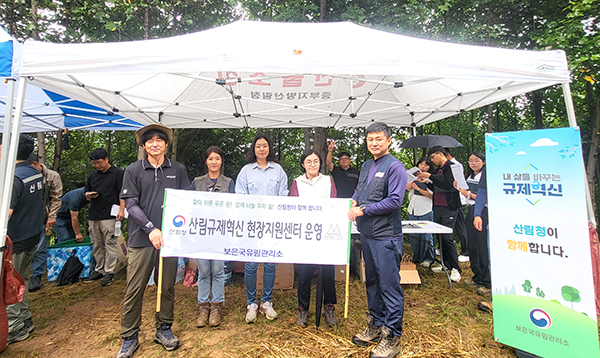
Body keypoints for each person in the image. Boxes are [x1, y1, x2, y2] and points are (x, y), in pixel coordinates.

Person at [116, 124, 190, 358]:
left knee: (166, 286)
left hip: (170, 239)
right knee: (134, 288)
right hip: (141, 239)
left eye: (160, 140)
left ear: (167, 145)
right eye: (150, 141)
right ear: (144, 146)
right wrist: (150, 228)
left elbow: (185, 199)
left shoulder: (178, 169)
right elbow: (131, 204)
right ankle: (129, 337)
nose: (155, 144)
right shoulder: (133, 170)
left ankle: (164, 328)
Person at [348, 123, 406, 358]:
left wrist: (364, 209)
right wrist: (353, 201)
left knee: (389, 286)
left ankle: (392, 337)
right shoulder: (366, 165)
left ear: (389, 140)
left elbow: (394, 201)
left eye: (379, 139)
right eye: (370, 139)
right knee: (371, 281)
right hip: (368, 236)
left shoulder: (395, 167)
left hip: (386, 237)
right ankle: (376, 324)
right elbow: (359, 191)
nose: (374, 143)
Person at [235, 134, 288, 323]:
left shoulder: (278, 170)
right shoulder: (246, 171)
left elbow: (283, 195)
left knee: (270, 264)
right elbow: (240, 196)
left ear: (269, 149)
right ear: (253, 149)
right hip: (252, 224)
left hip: (272, 224)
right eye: (258, 146)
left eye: (265, 146)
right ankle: (251, 304)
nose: (262, 149)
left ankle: (266, 301)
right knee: (250, 265)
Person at [290, 149, 338, 327]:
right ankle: (303, 308)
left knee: (328, 272)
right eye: (308, 161)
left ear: (320, 163)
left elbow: (334, 202)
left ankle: (329, 306)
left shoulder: (327, 181)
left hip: (325, 233)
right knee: (304, 273)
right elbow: (293, 205)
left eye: (316, 161)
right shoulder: (297, 182)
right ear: (303, 164)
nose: (312, 165)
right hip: (305, 234)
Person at [189, 146, 234, 328]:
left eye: (217, 158)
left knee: (218, 271)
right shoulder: (197, 182)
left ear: (221, 161)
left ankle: (216, 306)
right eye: (210, 159)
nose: (214, 162)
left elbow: (235, 207)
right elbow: (187, 203)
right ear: (206, 161)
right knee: (203, 271)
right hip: (202, 233)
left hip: (220, 233)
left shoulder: (229, 183)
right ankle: (203, 307)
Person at [6, 135, 44, 344]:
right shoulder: (34, 173)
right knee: (23, 279)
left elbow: (7, 213)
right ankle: (25, 318)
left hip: (16, 238)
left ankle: (15, 327)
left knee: (11, 283)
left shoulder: (15, 178)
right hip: (32, 235)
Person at [417, 146, 462, 283]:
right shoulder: (438, 170)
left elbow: (448, 183)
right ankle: (445, 263)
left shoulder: (451, 167)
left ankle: (455, 268)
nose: (432, 161)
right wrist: (427, 182)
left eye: (432, 157)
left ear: (440, 154)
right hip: (438, 206)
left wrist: (430, 176)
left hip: (449, 206)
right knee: (439, 236)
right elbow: (436, 185)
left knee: (447, 237)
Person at [83, 148, 125, 286]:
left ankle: (110, 271)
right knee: (97, 243)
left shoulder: (118, 173)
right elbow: (85, 192)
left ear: (107, 159)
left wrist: (122, 210)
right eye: (94, 163)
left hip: (110, 214)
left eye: (99, 162)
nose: (97, 165)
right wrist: (88, 195)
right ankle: (99, 269)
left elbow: (122, 193)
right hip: (94, 213)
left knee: (110, 242)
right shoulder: (93, 176)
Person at [28, 153, 63, 293]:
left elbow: (56, 197)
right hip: (26, 218)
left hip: (44, 217)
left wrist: (52, 216)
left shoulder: (52, 176)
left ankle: (36, 275)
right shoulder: (23, 175)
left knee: (41, 247)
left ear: (37, 164)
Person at [455, 152, 490, 290]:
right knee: (473, 246)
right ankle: (477, 277)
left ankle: (487, 281)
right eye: (470, 160)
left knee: (482, 247)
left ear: (484, 162)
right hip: (470, 210)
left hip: (483, 212)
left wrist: (468, 194)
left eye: (477, 160)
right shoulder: (470, 176)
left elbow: (485, 197)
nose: (473, 163)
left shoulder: (485, 177)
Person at [406, 157, 435, 266]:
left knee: (426, 235)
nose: (423, 167)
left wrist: (418, 189)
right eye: (421, 164)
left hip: (425, 209)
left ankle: (428, 258)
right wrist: (411, 179)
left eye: (426, 165)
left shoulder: (431, 179)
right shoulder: (414, 176)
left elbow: (432, 196)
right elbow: (408, 187)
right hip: (413, 208)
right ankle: (417, 256)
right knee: (414, 235)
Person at [445, 149, 469, 262]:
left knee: (460, 226)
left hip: (459, 200)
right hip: (453, 200)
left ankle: (465, 250)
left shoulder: (455, 165)